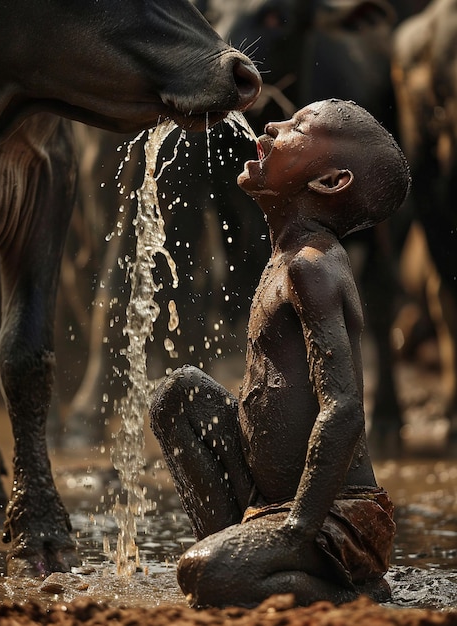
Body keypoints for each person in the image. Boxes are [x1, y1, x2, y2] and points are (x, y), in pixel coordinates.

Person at [150, 99, 410, 608]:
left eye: (297, 127)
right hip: (274, 504)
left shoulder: (313, 266)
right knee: (176, 396)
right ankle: (242, 548)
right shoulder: (284, 257)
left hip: (337, 515)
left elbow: (344, 411)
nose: (271, 124)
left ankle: (348, 590)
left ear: (330, 181)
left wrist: (297, 529)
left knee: (203, 575)